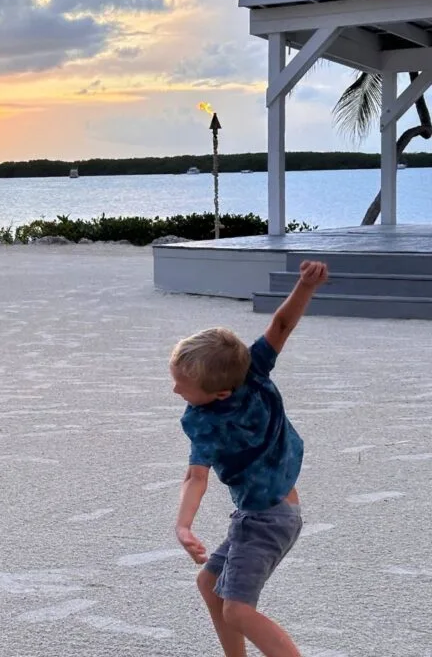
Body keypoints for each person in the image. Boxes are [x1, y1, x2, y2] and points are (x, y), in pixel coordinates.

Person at [170, 260, 330, 657]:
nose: (175, 390)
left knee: (238, 610)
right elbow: (280, 326)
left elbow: (196, 477)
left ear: (220, 393)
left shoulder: (204, 421)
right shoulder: (252, 369)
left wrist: (184, 525)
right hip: (274, 511)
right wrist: (305, 287)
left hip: (264, 520)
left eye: (183, 385)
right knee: (210, 584)